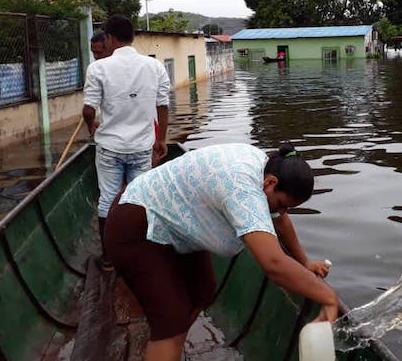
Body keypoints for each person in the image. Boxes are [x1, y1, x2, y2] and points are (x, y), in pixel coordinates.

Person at [104, 142, 337, 361]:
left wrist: (304, 262)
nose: (282, 211)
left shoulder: (265, 168)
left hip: (175, 226)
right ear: (271, 183)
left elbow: (280, 220)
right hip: (136, 225)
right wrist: (327, 296)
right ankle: (168, 340)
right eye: (281, 204)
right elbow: (273, 264)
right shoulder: (242, 187)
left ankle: (171, 348)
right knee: (170, 321)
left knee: (202, 291)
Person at [82, 14, 171, 268]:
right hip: (142, 147)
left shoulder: (98, 68)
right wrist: (161, 139)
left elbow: (89, 110)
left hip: (109, 147)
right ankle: (143, 253)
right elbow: (163, 105)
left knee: (108, 199)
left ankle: (109, 258)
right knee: (141, 198)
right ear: (132, 37)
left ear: (109, 38)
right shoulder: (154, 66)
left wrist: (91, 127)